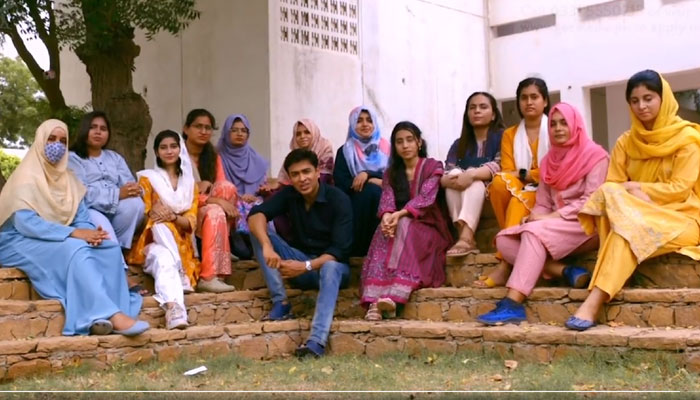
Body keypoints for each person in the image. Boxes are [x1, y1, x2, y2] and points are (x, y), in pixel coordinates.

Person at [567, 70, 700, 331]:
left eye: (648, 98)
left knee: (622, 223)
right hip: (634, 217)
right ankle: (594, 303)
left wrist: (636, 188)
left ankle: (592, 303)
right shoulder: (626, 143)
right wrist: (631, 194)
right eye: (635, 100)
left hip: (682, 218)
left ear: (664, 99)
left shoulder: (687, 140)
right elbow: (612, 187)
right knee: (615, 203)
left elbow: (681, 189)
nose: (642, 106)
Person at [0, 119, 148, 336]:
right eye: (51, 139)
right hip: (19, 240)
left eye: (62, 140)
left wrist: (92, 233)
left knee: (107, 248)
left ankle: (102, 315)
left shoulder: (68, 179)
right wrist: (75, 234)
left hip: (57, 237)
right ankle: (113, 316)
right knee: (75, 250)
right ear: (40, 141)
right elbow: (26, 224)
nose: (57, 145)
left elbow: (81, 216)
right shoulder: (25, 178)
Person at [475, 103, 609, 325]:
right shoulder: (549, 162)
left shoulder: (596, 156)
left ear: (576, 125)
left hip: (586, 225)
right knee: (504, 239)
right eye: (554, 124)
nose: (557, 128)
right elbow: (544, 202)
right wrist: (535, 216)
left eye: (564, 122)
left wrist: (545, 220)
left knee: (533, 233)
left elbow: (591, 201)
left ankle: (513, 303)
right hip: (554, 227)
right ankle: (564, 271)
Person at [248, 149, 352, 358]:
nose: (302, 179)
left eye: (306, 172)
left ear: (317, 171)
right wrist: (267, 245)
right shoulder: (290, 195)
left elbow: (338, 251)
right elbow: (256, 214)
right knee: (257, 231)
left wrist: (304, 267)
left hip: (332, 270)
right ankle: (281, 302)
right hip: (300, 263)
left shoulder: (338, 198)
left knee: (330, 266)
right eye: (295, 174)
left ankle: (316, 341)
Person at [361, 122, 452, 321]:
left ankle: (394, 295)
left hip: (428, 225)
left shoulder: (432, 167)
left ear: (419, 142)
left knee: (403, 226)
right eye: (399, 141)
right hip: (399, 223)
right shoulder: (391, 173)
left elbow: (426, 198)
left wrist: (399, 215)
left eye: (410, 140)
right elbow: (387, 199)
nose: (405, 145)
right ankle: (375, 302)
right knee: (383, 231)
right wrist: (386, 216)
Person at [475, 77, 551, 288]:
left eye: (534, 97)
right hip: (521, 188)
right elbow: (509, 171)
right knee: (499, 182)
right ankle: (510, 247)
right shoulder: (510, 135)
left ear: (545, 101)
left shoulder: (555, 128)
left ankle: (505, 263)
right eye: (524, 98)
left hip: (549, 191)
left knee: (519, 199)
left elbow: (554, 171)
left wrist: (528, 174)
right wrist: (531, 174)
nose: (529, 102)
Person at [127, 130, 199, 330]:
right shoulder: (148, 179)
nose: (169, 151)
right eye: (163, 147)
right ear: (156, 152)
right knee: (160, 224)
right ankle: (180, 272)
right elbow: (147, 214)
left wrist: (174, 217)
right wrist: (160, 216)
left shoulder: (190, 184)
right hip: (151, 241)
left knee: (164, 259)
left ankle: (174, 310)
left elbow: (191, 222)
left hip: (180, 245)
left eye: (173, 146)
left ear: (180, 149)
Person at [68, 111, 145, 254]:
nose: (98, 132)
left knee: (136, 204)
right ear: (84, 129)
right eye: (93, 127)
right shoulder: (73, 158)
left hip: (115, 211)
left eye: (103, 129)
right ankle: (114, 256)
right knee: (105, 232)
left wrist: (134, 189)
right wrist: (117, 194)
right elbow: (81, 193)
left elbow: (129, 183)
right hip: (90, 210)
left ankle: (120, 248)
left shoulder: (114, 157)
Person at [442, 92, 505, 256]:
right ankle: (464, 234)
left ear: (493, 115)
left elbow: (500, 164)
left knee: (475, 182)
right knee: (453, 180)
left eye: (483, 107)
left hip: (488, 189)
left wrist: (471, 175)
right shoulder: (459, 144)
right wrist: (452, 178)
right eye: (472, 108)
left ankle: (467, 237)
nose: (477, 111)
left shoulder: (502, 137)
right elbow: (447, 170)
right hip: (460, 189)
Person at [183, 109, 237, 293]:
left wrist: (214, 200)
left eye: (208, 127)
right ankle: (209, 276)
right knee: (215, 212)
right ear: (186, 129)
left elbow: (222, 188)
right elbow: (176, 193)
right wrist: (208, 197)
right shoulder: (176, 154)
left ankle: (222, 247)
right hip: (184, 210)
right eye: (198, 126)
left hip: (207, 209)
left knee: (227, 188)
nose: (204, 131)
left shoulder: (213, 157)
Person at [258, 118, 335, 241]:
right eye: (298, 134)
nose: (302, 136)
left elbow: (323, 178)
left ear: (314, 133)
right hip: (297, 189)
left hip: (321, 191)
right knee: (271, 198)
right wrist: (275, 187)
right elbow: (286, 179)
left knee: (289, 199)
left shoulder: (324, 148)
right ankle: (289, 239)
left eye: (307, 132)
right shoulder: (294, 154)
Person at [333, 106, 390, 256]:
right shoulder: (345, 151)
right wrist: (367, 182)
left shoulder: (387, 148)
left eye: (369, 120)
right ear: (352, 124)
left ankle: (382, 248)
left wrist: (368, 174)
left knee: (376, 193)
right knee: (369, 193)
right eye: (359, 121)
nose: (365, 124)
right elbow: (341, 182)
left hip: (387, 197)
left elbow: (395, 177)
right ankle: (363, 249)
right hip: (356, 200)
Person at [217, 114, 270, 259]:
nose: (240, 134)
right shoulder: (217, 157)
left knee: (260, 207)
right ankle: (239, 246)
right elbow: (216, 186)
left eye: (244, 130)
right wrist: (238, 197)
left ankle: (262, 247)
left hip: (253, 200)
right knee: (240, 208)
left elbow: (263, 185)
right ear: (227, 133)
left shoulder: (256, 159)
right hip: (229, 202)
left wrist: (259, 193)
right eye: (234, 130)